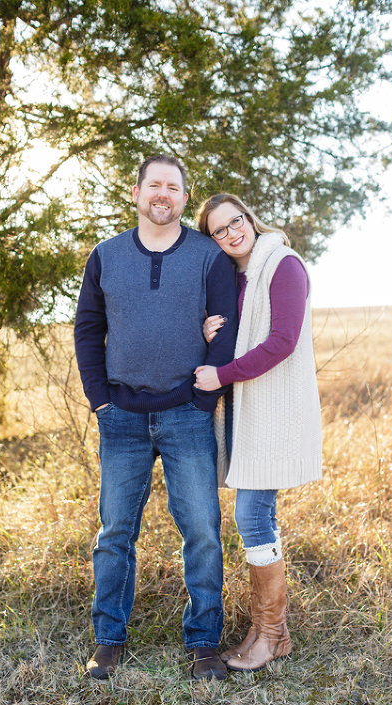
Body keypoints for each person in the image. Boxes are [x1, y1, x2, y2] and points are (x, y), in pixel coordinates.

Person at [74, 155, 239, 681]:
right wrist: (99, 399)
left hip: (185, 414)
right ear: (137, 192)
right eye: (154, 185)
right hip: (120, 415)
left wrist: (202, 400)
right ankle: (107, 640)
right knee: (115, 531)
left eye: (173, 186)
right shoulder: (105, 256)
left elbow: (227, 330)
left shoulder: (209, 256)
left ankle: (204, 642)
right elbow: (87, 328)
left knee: (202, 530)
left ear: (184, 199)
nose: (162, 193)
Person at [193, 193, 322, 672]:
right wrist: (211, 334)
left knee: (252, 514)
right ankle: (268, 631)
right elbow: (241, 335)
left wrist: (222, 374)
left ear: (250, 218)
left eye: (236, 221)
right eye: (220, 230)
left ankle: (272, 633)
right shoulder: (239, 277)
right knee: (255, 516)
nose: (232, 233)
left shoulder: (282, 263)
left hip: (274, 411)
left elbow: (282, 341)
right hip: (251, 412)